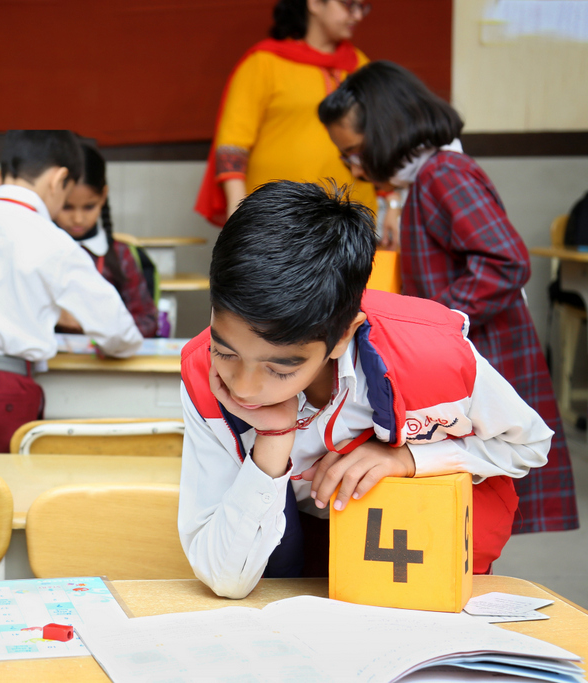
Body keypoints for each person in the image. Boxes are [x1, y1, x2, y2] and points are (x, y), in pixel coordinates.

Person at [178, 181, 550, 599]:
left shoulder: (434, 356)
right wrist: (273, 440)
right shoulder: (202, 377)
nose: (244, 388)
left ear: (343, 336)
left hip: (428, 577)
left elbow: (530, 445)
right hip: (305, 579)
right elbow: (225, 578)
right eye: (225, 352)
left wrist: (410, 458)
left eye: (281, 367)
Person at [318, 61, 579, 535]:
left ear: (389, 129)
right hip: (467, 352)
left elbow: (505, 262)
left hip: (481, 354)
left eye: (355, 151)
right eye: (345, 159)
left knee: (494, 481)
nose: (354, 167)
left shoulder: (444, 174)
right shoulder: (423, 179)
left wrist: (437, 327)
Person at [0, 130, 142, 453]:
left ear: (3, 173)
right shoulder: (53, 241)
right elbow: (121, 333)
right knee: (6, 496)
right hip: (4, 390)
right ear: (59, 179)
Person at [194, 0, 379, 228]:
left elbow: (380, 142)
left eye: (363, 6)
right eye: (349, 5)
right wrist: (237, 210)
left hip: (350, 219)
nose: (358, 15)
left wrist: (391, 204)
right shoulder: (264, 63)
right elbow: (232, 145)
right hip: (277, 219)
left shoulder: (361, 66)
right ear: (313, 3)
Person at [55, 144, 158, 338]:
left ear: (103, 196)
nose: (78, 219)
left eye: (88, 207)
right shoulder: (39, 251)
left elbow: (147, 322)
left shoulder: (121, 255)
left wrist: (100, 328)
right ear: (52, 196)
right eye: (67, 207)